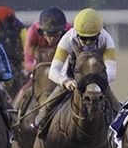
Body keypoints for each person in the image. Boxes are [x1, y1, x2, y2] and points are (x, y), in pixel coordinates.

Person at [34, 8, 118, 138]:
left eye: (92, 39)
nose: (88, 43)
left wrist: (95, 83)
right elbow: (54, 70)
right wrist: (66, 81)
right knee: (47, 106)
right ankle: (41, 122)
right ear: (77, 34)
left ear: (99, 34)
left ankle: (118, 126)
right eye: (84, 39)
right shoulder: (68, 38)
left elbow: (111, 71)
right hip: (72, 77)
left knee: (117, 109)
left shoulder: (106, 39)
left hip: (98, 80)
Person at [23, 6, 71, 72]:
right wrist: (35, 68)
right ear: (41, 31)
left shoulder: (69, 31)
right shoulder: (33, 32)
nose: (52, 39)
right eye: (48, 34)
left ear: (63, 31)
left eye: (56, 34)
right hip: (39, 65)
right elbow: (28, 61)